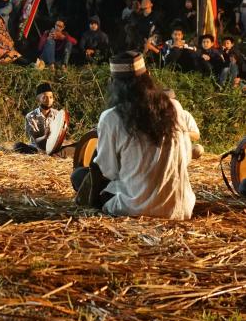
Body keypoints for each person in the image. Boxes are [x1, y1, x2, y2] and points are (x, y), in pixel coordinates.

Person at [72, 51, 195, 219]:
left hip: (132, 208)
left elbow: (109, 171)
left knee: (78, 176)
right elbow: (186, 157)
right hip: (180, 209)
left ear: (114, 83)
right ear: (148, 76)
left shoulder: (110, 117)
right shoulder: (175, 108)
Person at [13, 82, 62, 153]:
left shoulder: (58, 114)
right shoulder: (31, 116)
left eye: (51, 97)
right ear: (38, 100)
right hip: (36, 148)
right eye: (44, 97)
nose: (48, 100)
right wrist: (45, 136)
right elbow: (35, 140)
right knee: (18, 146)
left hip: (54, 147)